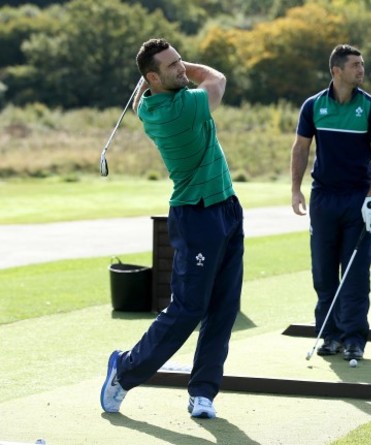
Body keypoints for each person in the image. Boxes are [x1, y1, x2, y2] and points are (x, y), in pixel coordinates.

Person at [100, 38, 244, 419]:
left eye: (181, 61)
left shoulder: (149, 105)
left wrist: (164, 75)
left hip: (226, 206)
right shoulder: (178, 109)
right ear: (152, 77)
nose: (182, 68)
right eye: (172, 66)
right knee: (188, 308)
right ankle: (125, 370)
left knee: (224, 307)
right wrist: (189, 70)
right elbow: (217, 79)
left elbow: (140, 102)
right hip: (197, 216)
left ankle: (203, 393)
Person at [291, 44, 371, 361]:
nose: (361, 70)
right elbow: (300, 149)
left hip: (357, 199)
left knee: (355, 274)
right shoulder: (313, 106)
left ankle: (353, 339)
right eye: (355, 65)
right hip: (323, 197)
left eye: (362, 64)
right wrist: (296, 189)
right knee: (323, 272)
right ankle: (329, 335)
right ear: (337, 71)